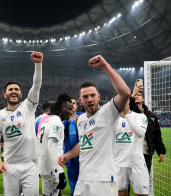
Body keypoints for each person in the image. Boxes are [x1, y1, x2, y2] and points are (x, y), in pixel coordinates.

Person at [58, 55, 131, 196]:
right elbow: (84, 144)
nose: (90, 99)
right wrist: (67, 155)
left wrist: (105, 66)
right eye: (85, 97)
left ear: (98, 96)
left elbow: (125, 92)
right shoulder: (81, 120)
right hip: (83, 178)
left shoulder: (108, 112)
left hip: (103, 179)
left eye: (92, 95)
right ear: (80, 100)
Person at [0, 51, 43, 196]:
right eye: (10, 90)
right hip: (10, 165)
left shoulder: (28, 106)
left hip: (30, 164)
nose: (13, 91)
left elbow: (37, 85)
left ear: (21, 94)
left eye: (16, 89)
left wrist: (38, 64)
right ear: (5, 94)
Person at [129, 82, 166, 194]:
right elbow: (124, 106)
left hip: (146, 153)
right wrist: (133, 93)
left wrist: (161, 151)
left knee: (143, 185)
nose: (137, 96)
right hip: (130, 153)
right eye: (135, 95)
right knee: (125, 184)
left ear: (143, 98)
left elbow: (157, 136)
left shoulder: (152, 117)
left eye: (139, 95)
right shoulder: (129, 113)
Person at [114, 96, 149, 196]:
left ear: (128, 100)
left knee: (141, 195)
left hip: (137, 164)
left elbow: (140, 133)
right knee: (120, 193)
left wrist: (127, 115)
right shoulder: (112, 119)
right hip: (118, 164)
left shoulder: (140, 117)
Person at [38, 94, 72, 196]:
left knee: (52, 194)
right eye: (69, 109)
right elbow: (51, 146)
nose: (71, 112)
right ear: (61, 108)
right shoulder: (57, 123)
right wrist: (60, 171)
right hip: (52, 169)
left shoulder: (47, 121)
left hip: (45, 167)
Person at [62, 97, 80, 196]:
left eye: (74, 103)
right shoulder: (63, 121)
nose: (72, 105)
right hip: (71, 160)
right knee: (74, 186)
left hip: (85, 158)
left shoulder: (83, 116)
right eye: (70, 103)